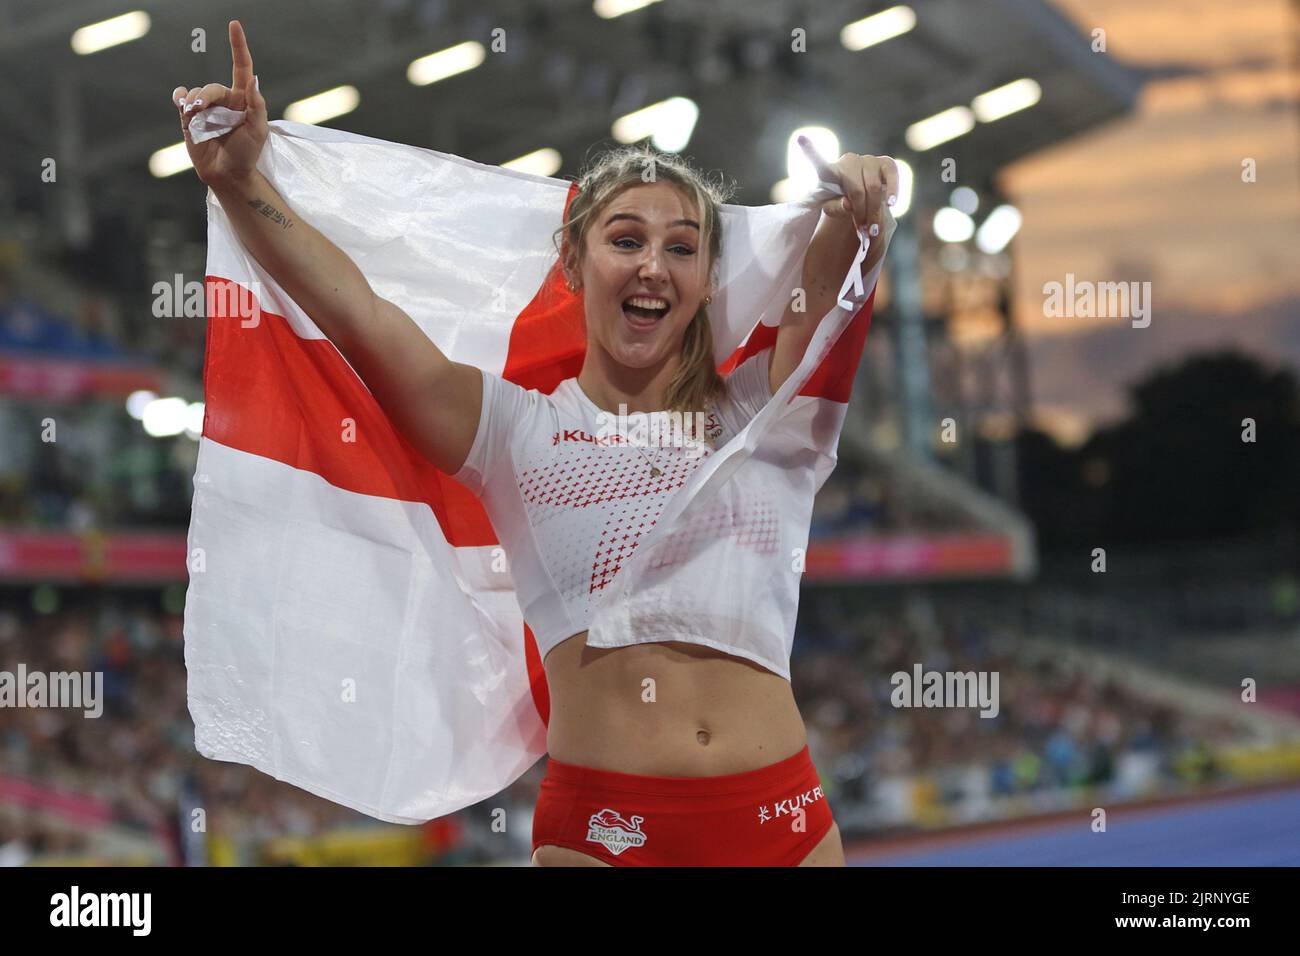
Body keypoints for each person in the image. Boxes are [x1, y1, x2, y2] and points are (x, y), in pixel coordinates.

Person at [174, 20, 897, 867]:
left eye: (683, 248)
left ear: (706, 283)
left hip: (783, 822)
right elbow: (357, 313)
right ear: (574, 259)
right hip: (606, 833)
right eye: (625, 239)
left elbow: (833, 271)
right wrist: (240, 183)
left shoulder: (763, 412)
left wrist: (860, 194)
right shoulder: (511, 430)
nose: (653, 266)